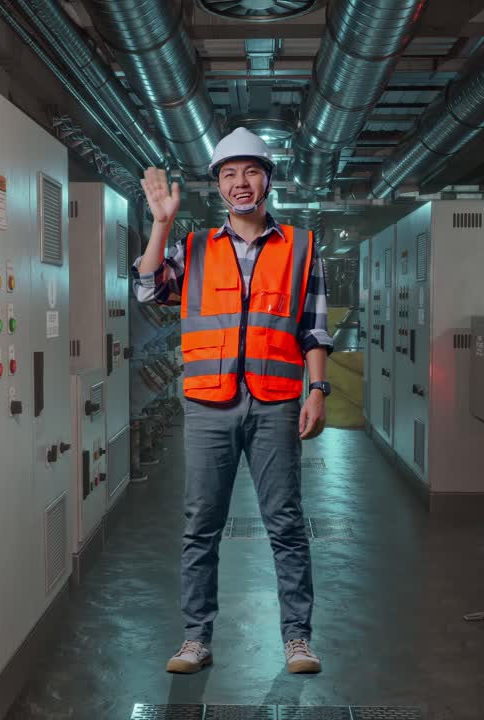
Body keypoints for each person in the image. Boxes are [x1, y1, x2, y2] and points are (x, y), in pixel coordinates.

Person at [132, 127, 334, 675]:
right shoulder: (193, 246)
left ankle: (297, 638)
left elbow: (314, 328)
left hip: (275, 402)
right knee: (201, 524)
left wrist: (317, 390)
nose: (240, 183)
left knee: (286, 522)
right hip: (209, 404)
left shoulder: (301, 246)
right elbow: (147, 289)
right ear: (218, 186)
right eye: (228, 174)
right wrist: (161, 223)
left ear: (267, 178)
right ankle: (196, 637)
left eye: (250, 172)